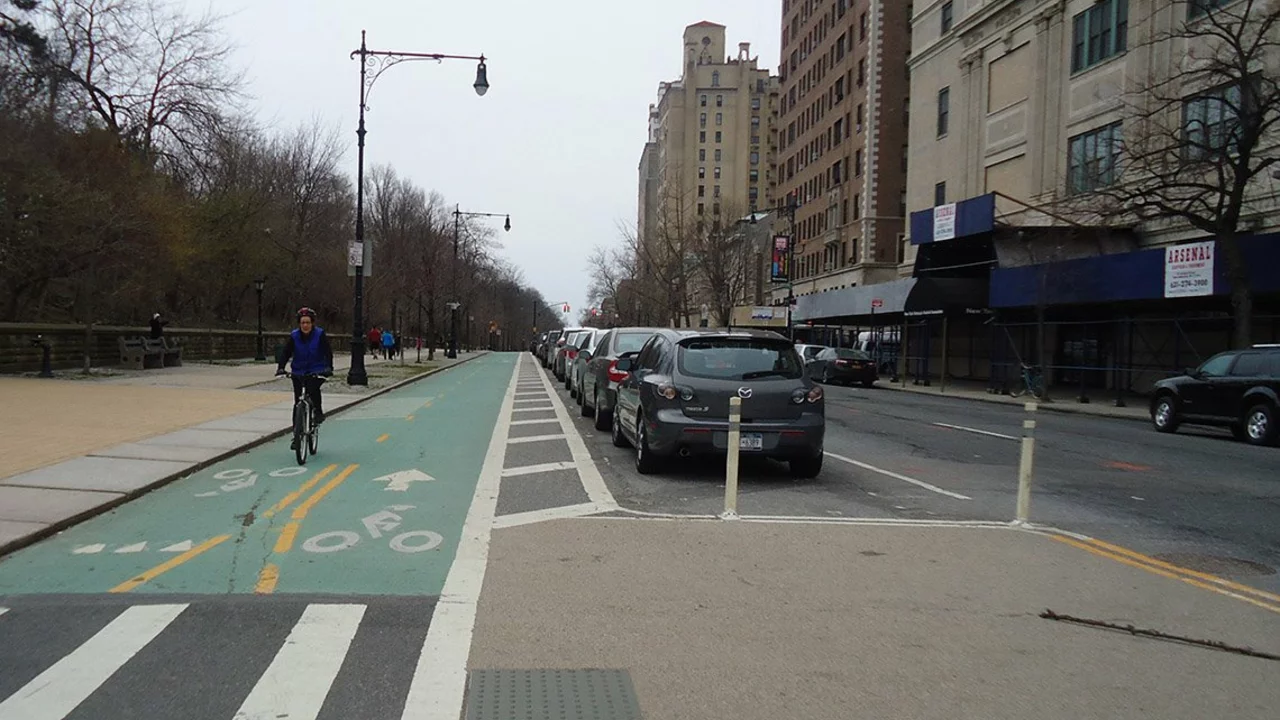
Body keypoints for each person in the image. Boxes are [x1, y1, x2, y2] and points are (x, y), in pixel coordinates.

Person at [276, 308, 334, 444]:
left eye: (308, 322)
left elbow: (327, 352)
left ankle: (318, 412)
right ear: (299, 324)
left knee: (313, 390)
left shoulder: (320, 334)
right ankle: (297, 434)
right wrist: (281, 367)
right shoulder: (294, 336)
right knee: (298, 403)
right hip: (298, 370)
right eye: (302, 323)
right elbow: (286, 352)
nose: (305, 325)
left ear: (312, 323)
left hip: (317, 369)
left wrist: (328, 367)